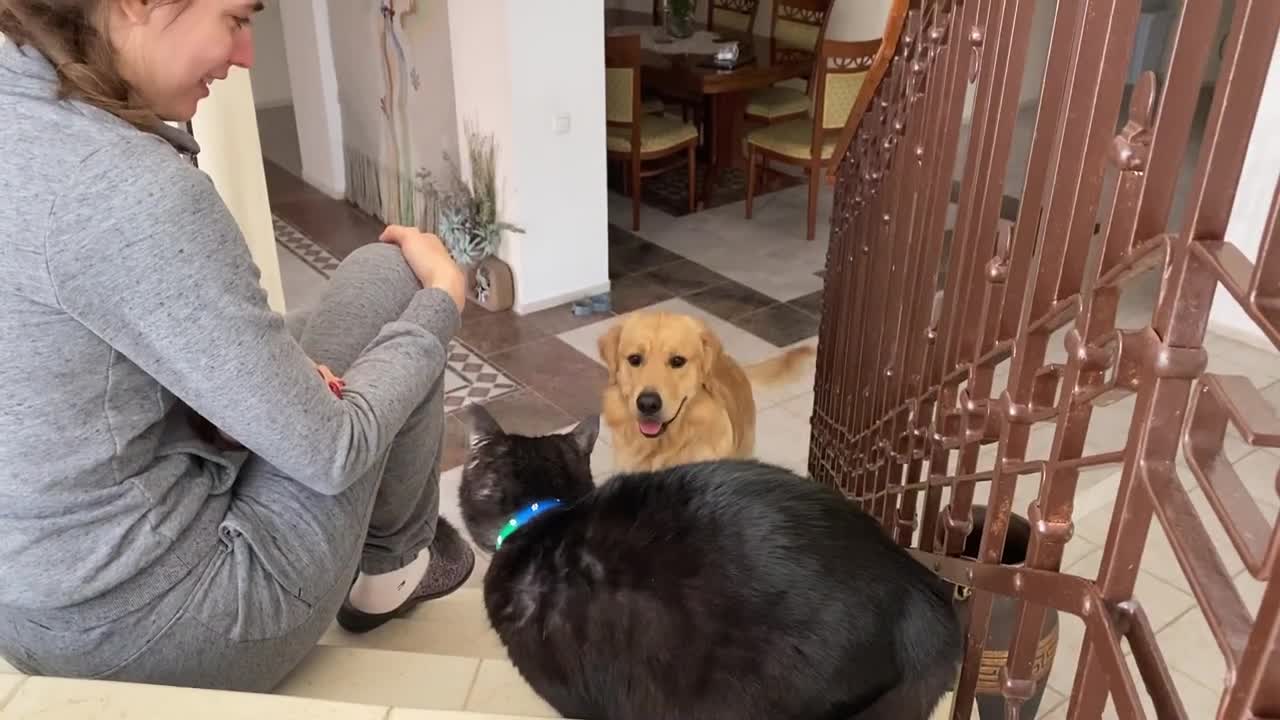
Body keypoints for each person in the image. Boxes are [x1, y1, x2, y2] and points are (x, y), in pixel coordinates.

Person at [0, 0, 476, 693]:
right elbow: (333, 450)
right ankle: (391, 570)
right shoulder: (123, 188)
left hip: (26, 608)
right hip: (168, 631)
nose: (248, 56)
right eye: (237, 18)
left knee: (295, 349)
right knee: (393, 272)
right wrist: (442, 305)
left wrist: (251, 390)